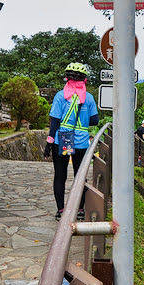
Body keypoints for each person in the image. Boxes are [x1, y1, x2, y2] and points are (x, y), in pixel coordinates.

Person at [44, 63, 99, 221]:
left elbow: (54, 120)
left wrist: (49, 143)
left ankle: (61, 210)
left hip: (63, 139)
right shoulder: (88, 98)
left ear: (67, 78)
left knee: (60, 176)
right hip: (81, 142)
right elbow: (95, 120)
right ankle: (80, 209)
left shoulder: (61, 96)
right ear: (84, 80)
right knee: (80, 176)